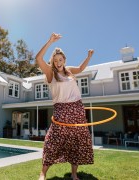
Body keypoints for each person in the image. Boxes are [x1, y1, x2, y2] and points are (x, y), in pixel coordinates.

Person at [35, 33, 94, 180]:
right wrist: (49, 41)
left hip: (77, 108)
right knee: (53, 140)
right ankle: (43, 173)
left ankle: (74, 174)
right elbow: (38, 59)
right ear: (53, 62)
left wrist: (89, 56)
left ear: (64, 60)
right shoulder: (50, 73)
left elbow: (80, 69)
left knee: (77, 140)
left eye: (60, 59)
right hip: (61, 109)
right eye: (55, 60)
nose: (58, 62)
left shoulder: (69, 71)